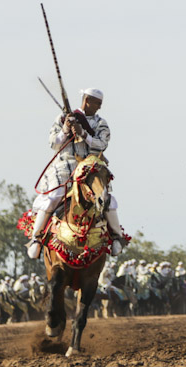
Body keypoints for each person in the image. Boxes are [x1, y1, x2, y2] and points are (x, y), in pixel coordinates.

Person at [26, 88, 129, 258]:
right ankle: (36, 238)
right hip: (65, 166)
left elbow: (101, 144)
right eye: (97, 103)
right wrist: (66, 128)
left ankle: (117, 237)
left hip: (91, 166)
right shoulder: (62, 118)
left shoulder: (101, 123)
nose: (100, 107)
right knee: (54, 197)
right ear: (87, 100)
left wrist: (83, 133)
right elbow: (54, 144)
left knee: (106, 198)